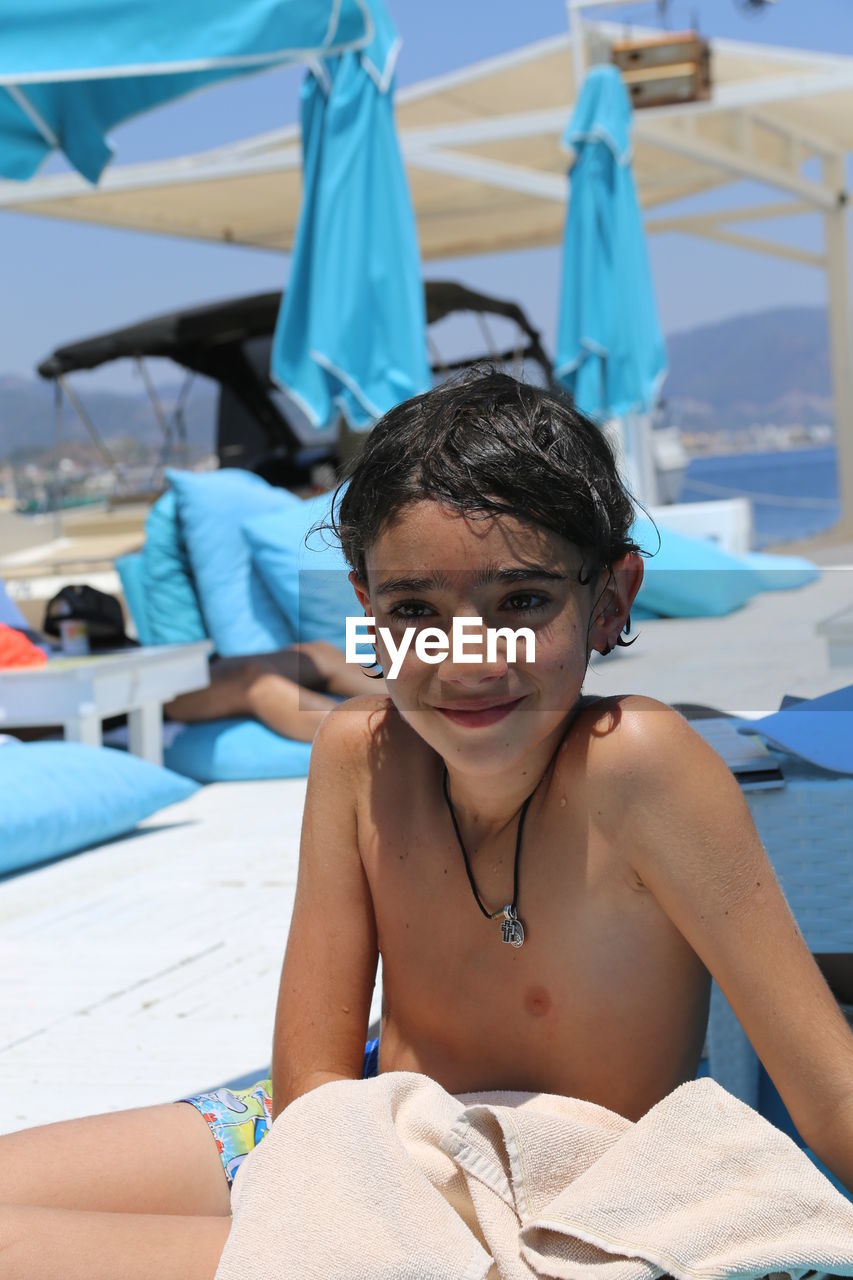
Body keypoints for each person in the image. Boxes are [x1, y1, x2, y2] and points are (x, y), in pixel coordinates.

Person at [2, 372, 852, 1279]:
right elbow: (313, 1090)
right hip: (361, 1148)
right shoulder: (356, 760)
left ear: (609, 599)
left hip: (558, 1202)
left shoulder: (638, 766)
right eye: (416, 611)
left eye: (521, 601)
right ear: (367, 611)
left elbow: (826, 1090)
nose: (466, 656)